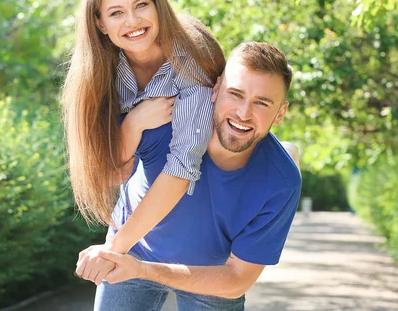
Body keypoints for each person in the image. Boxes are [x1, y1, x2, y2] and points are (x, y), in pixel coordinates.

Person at [79, 41, 302, 310]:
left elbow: (237, 280)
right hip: (132, 248)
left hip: (209, 274)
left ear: (280, 113)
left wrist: (144, 270)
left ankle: (288, 149)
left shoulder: (282, 181)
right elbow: (101, 175)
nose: (244, 113)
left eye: (262, 103)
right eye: (236, 94)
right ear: (216, 89)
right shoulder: (165, 117)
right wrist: (133, 124)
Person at [62, 0, 226, 281]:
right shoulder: (96, 74)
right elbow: (108, 174)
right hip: (135, 225)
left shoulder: (192, 55)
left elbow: (183, 166)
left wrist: (114, 250)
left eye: (141, 5)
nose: (132, 22)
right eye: (116, 13)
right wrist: (133, 124)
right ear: (100, 23)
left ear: (157, 5)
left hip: (203, 239)